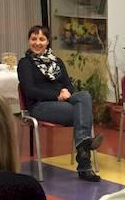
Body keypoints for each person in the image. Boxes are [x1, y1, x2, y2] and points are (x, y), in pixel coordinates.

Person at [17, 24, 102, 182]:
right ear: (29, 41)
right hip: (39, 106)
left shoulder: (57, 62)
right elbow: (29, 91)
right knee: (83, 114)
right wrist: (57, 95)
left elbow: (69, 85)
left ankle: (83, 149)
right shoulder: (25, 63)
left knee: (84, 96)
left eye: (42, 39)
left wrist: (66, 92)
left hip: (63, 103)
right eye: (34, 39)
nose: (37, 43)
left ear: (48, 41)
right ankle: (84, 163)